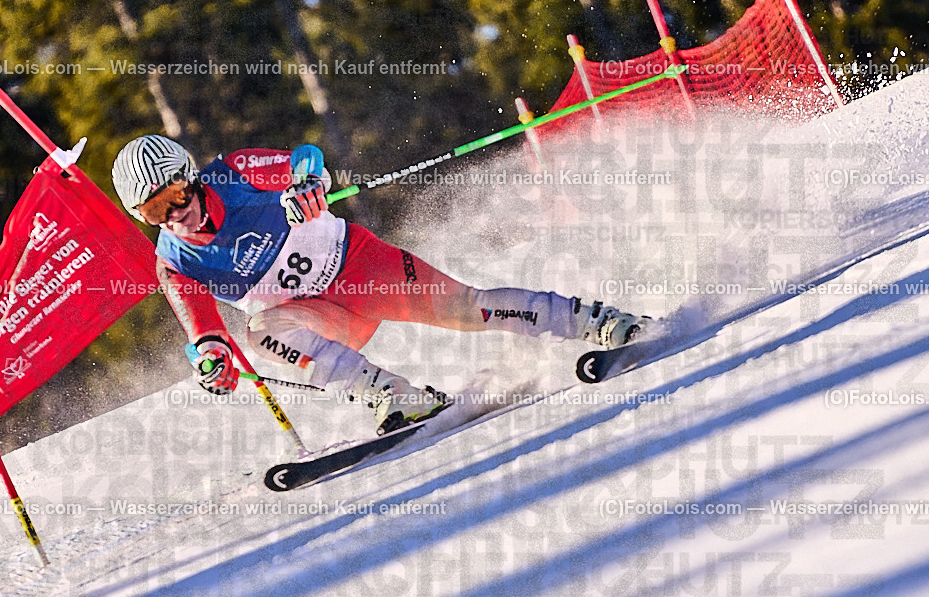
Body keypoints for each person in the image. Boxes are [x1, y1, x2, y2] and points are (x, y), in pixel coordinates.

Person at [112, 135, 648, 434]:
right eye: (154, 211)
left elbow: (305, 157)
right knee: (259, 334)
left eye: (175, 196)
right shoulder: (173, 263)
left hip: (360, 268)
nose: (175, 215)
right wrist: (211, 360)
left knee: (469, 310)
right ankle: (394, 396)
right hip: (321, 319)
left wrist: (306, 185)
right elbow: (203, 332)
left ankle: (597, 321)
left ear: (192, 177)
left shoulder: (234, 173)